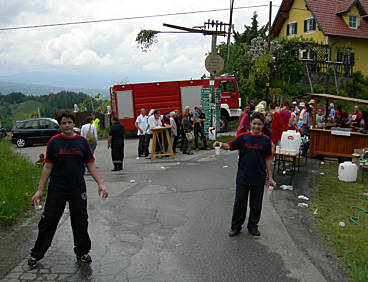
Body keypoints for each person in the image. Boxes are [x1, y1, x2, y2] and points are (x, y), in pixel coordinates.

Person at [27, 112, 108, 267]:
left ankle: (82, 252)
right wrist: (39, 190)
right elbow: (47, 166)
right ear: (60, 125)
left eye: (69, 122)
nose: (67, 126)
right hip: (57, 188)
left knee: (80, 221)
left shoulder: (82, 142)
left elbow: (90, 164)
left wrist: (100, 183)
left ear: (73, 124)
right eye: (63, 123)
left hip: (77, 188)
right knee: (48, 221)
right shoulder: (54, 142)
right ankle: (36, 254)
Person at [213, 112, 276, 237]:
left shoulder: (266, 140)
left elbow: (268, 159)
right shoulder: (243, 137)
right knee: (240, 203)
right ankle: (236, 227)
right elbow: (229, 145)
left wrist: (270, 177)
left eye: (259, 124)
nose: (256, 126)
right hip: (243, 177)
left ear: (263, 125)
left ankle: (253, 226)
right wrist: (221, 144)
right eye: (254, 123)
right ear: (250, 124)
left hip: (258, 177)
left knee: (256, 204)